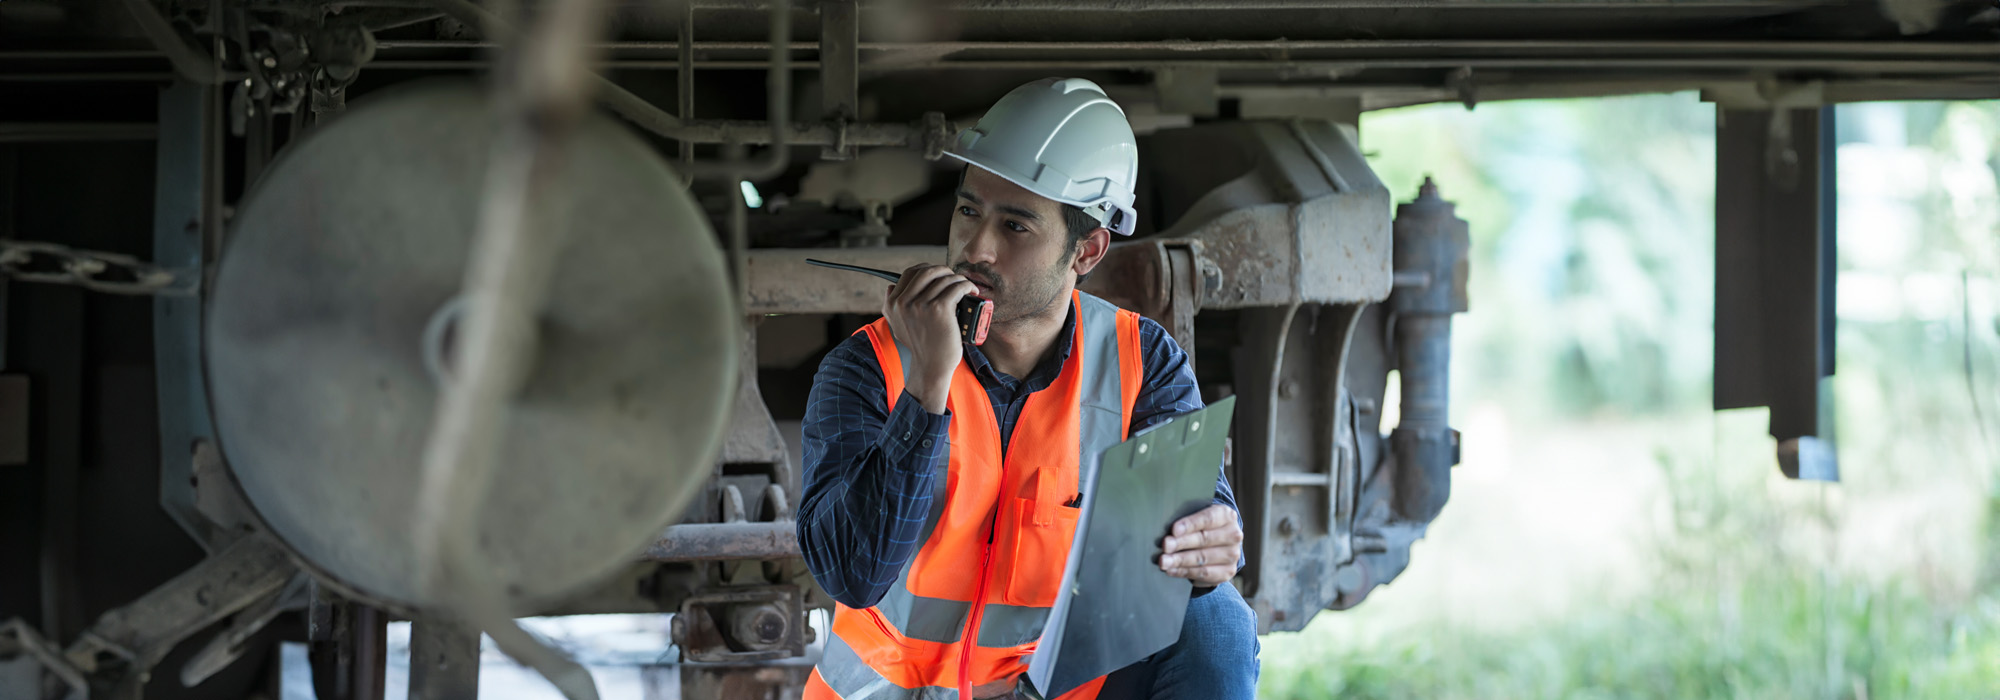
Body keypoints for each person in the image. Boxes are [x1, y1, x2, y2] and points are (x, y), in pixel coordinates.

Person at [796, 77, 1259, 700]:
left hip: (1040, 691)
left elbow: (1198, 520)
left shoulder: (1140, 361)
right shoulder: (866, 366)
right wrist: (929, 384)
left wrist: (1214, 542)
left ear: (1087, 251)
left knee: (1217, 619)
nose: (975, 248)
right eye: (968, 211)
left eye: (1015, 227)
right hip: (894, 691)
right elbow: (853, 573)